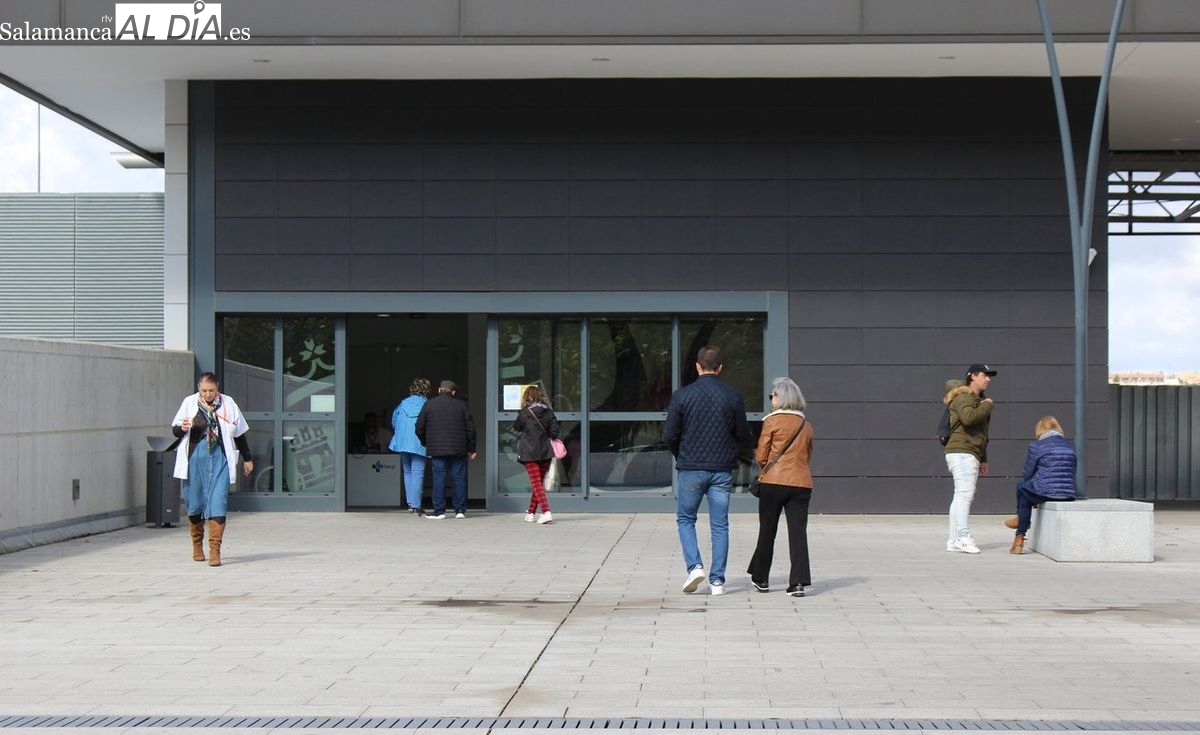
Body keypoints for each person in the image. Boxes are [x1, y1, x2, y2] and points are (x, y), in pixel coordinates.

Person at [663, 345, 750, 596]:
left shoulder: (682, 396)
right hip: (722, 469)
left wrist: (681, 455)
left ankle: (694, 567)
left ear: (697, 366)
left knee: (686, 519)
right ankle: (718, 581)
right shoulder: (733, 396)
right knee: (720, 524)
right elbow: (742, 433)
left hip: (691, 467)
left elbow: (670, 434)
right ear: (720, 368)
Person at [170, 372, 253, 567]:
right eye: (204, 390)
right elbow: (174, 430)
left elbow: (239, 433)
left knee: (218, 502)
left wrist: (247, 458)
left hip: (220, 458)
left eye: (212, 390)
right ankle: (197, 544)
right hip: (195, 458)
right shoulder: (189, 403)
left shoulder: (228, 403)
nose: (208, 394)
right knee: (194, 502)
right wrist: (181, 428)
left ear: (218, 389)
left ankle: (215, 549)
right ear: (199, 388)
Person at [747, 377, 815, 597]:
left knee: (768, 530)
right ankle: (798, 583)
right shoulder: (806, 425)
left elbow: (761, 455)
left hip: (774, 482)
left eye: (773, 395)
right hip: (801, 483)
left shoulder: (772, 421)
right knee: (798, 533)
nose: (771, 398)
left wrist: (766, 466)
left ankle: (761, 578)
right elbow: (808, 455)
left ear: (782, 397)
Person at [943, 363, 997, 554]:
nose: (988, 379)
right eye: (985, 375)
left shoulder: (978, 400)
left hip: (969, 452)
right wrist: (987, 406)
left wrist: (983, 458)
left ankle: (953, 540)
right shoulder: (963, 397)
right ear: (973, 376)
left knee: (960, 495)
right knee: (965, 494)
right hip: (962, 451)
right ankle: (963, 537)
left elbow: (982, 433)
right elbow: (968, 418)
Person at [1006, 416, 1077, 554]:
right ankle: (1019, 521)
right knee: (1025, 489)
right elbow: (1073, 470)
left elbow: (1027, 473)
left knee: (1022, 488)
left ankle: (1019, 534)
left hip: (1045, 492)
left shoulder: (1037, 446)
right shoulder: (1070, 446)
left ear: (1040, 429)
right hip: (1067, 493)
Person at [416, 379, 477, 519]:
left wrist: (425, 442)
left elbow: (419, 427)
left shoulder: (429, 404)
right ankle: (460, 510)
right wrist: (472, 448)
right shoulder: (461, 405)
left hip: (437, 449)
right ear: (453, 392)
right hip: (459, 448)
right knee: (459, 478)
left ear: (439, 390)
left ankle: (439, 511)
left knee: (439, 478)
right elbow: (470, 429)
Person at [512, 384, 561, 525]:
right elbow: (554, 432)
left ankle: (546, 511)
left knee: (536, 483)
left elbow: (516, 427)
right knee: (537, 483)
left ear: (527, 397)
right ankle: (531, 513)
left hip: (529, 452)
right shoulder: (549, 412)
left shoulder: (524, 413)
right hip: (545, 452)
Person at [389, 378, 431, 513]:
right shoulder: (426, 405)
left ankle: (410, 503)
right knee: (418, 473)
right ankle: (417, 504)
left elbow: (394, 421)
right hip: (419, 442)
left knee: (407, 472)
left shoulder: (402, 404)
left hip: (402, 442)